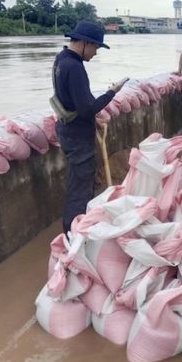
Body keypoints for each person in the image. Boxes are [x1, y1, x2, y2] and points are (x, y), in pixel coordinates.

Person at [52, 21, 128, 235]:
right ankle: (74, 235)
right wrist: (112, 92)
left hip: (69, 130)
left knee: (77, 182)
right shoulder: (74, 67)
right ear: (85, 43)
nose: (95, 53)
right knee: (80, 189)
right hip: (77, 138)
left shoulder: (62, 59)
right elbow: (87, 108)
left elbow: (72, 103)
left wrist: (93, 122)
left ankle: (76, 229)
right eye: (95, 47)